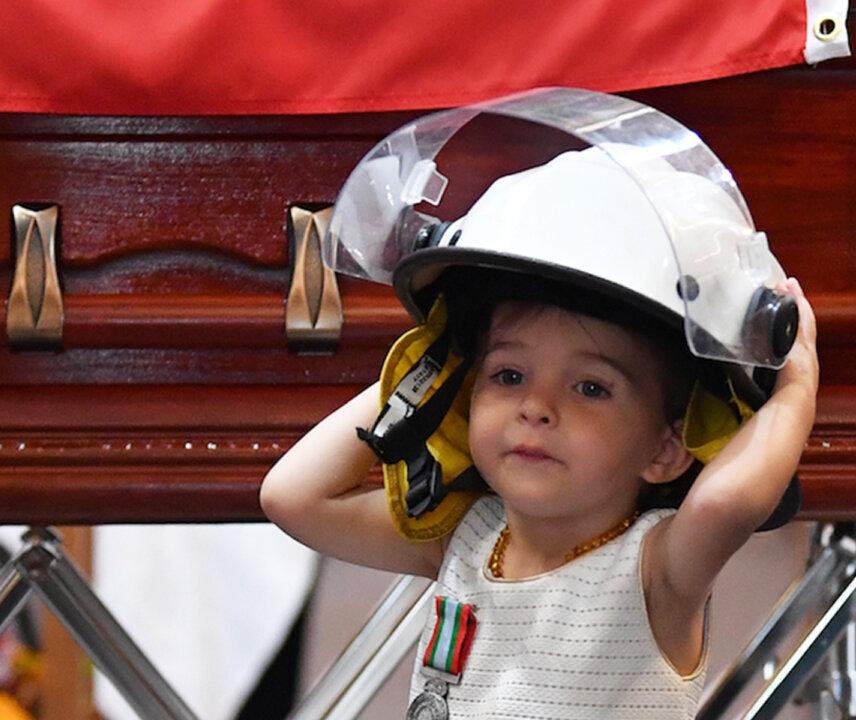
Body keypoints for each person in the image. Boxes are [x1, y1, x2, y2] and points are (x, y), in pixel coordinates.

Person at [260, 89, 819, 718]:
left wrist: (796, 389)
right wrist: (438, 359)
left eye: (591, 388)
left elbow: (730, 498)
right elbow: (293, 497)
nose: (537, 407)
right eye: (508, 375)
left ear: (666, 448)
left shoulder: (657, 570)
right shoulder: (463, 542)